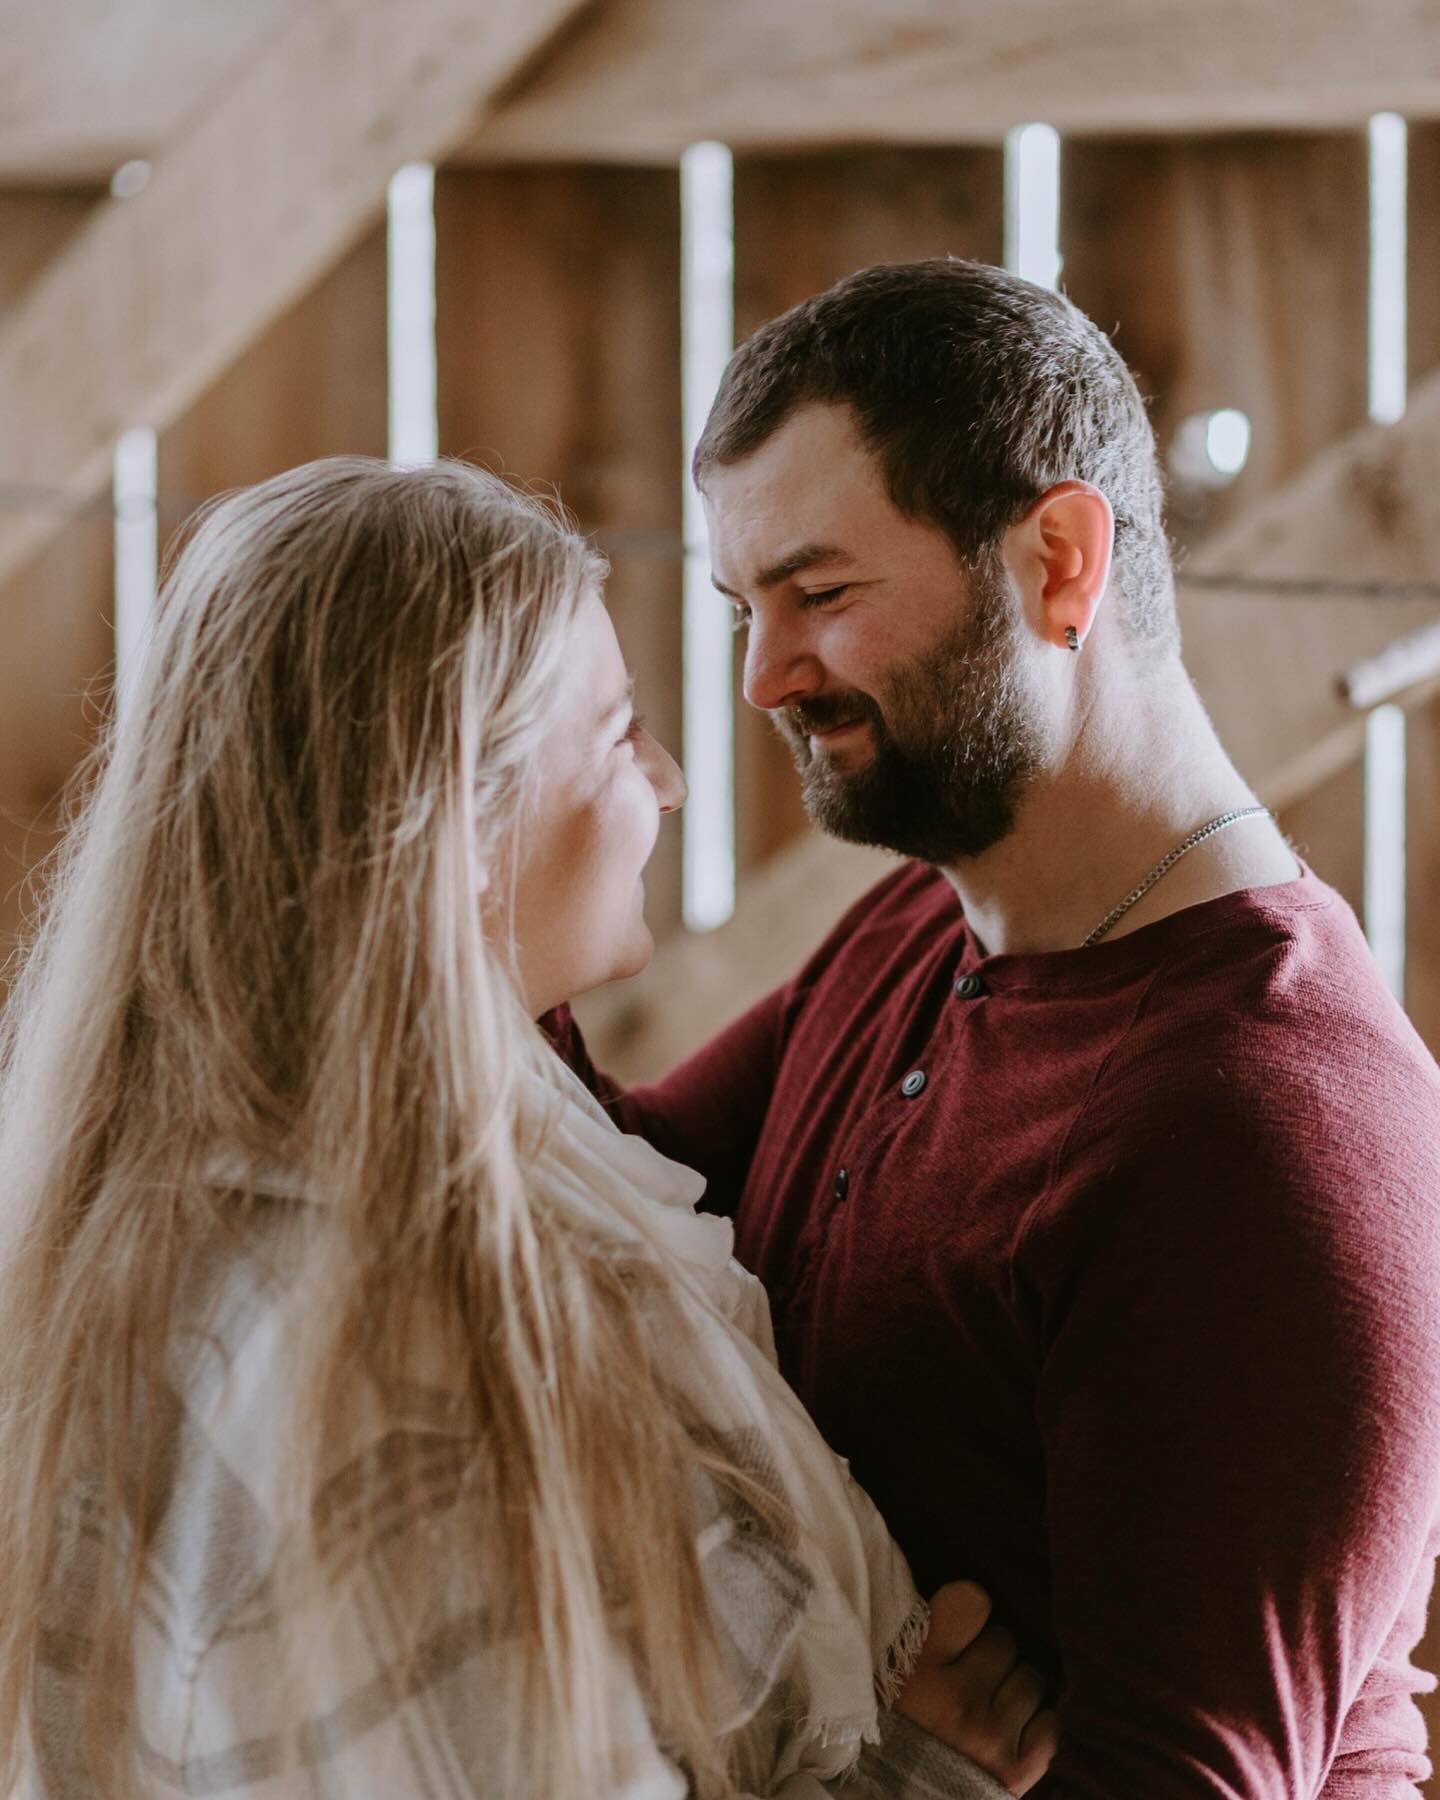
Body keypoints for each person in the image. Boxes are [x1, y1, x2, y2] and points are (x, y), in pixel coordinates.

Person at [0, 457, 1056, 1799]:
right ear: (460, 821)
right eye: (619, 736)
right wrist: (916, 1778)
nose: (667, 782)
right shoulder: (387, 1367)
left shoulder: (287, 1169)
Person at [554, 260, 1440, 1797]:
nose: (766, 675)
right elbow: (607, 1187)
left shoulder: (1266, 1131)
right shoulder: (936, 917)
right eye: (745, 607)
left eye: (821, 594)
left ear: (1058, 559)